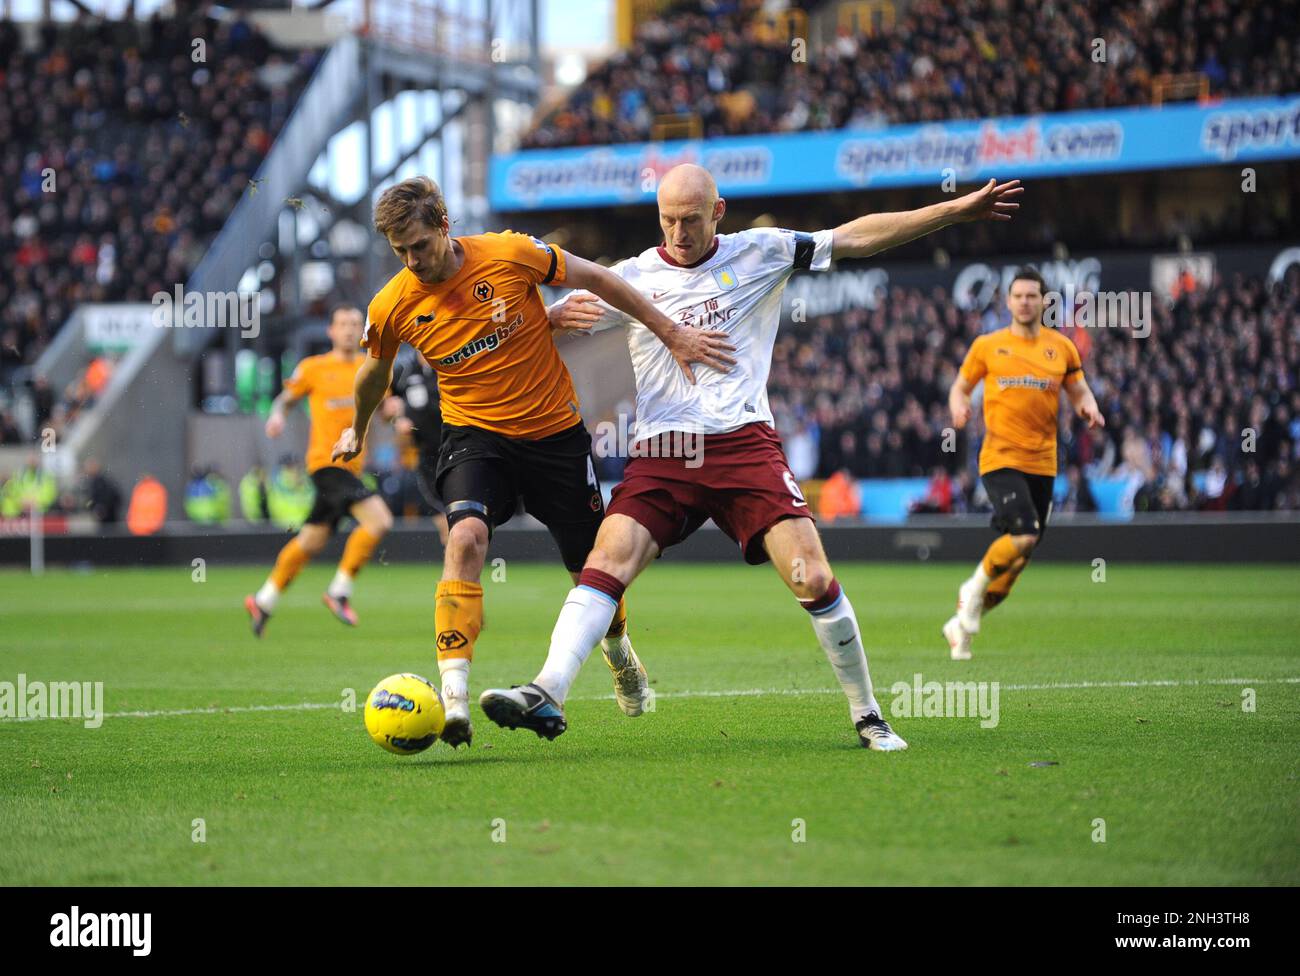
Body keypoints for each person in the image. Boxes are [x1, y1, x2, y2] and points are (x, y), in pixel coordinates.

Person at [478, 164, 1022, 751]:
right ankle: (546, 690)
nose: (678, 231)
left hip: (744, 445)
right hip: (665, 450)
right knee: (606, 559)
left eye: (690, 218)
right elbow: (536, 326)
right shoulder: (632, 277)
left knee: (811, 575)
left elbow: (857, 236)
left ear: (718, 211)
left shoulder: (763, 252)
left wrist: (952, 211)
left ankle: (868, 714)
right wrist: (543, 319)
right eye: (667, 219)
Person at [330, 175, 734, 748]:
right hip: (474, 438)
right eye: (400, 251)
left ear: (445, 226)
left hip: (555, 438)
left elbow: (596, 278)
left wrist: (668, 332)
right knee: (465, 537)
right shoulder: (393, 304)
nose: (413, 260)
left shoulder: (511, 254)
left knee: (593, 572)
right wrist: (358, 427)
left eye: (420, 245)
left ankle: (618, 652)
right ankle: (453, 701)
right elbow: (375, 371)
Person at [944, 267, 1105, 660]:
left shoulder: (1062, 348)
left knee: (1019, 559)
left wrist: (1089, 407)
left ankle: (961, 622)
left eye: (1032, 296)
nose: (1025, 302)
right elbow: (960, 387)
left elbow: (1079, 390)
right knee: (1025, 536)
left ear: (1045, 301)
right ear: (1008, 300)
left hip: (1043, 463)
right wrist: (960, 408)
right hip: (1000, 458)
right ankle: (971, 589)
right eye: (1018, 296)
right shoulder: (988, 345)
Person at [244, 305, 394, 636]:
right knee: (380, 519)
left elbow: (384, 411)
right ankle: (339, 591)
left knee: (311, 540)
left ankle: (264, 599)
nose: (349, 329)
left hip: (352, 468)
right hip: (326, 464)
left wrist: (394, 412)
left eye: (355, 324)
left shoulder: (372, 368)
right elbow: (286, 398)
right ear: (330, 331)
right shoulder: (313, 367)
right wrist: (278, 414)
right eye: (342, 323)